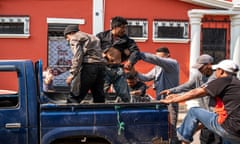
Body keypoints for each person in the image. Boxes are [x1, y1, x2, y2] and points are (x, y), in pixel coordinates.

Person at [160, 59, 240, 144]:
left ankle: (183, 139)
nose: (215, 72)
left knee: (193, 111)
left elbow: (196, 93)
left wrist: (173, 100)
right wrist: (179, 96)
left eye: (216, 70)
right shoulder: (236, 84)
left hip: (227, 126)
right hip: (237, 132)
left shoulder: (223, 80)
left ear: (221, 71)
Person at [136, 47, 180, 144]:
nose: (159, 60)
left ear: (168, 56)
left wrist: (138, 54)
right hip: (159, 101)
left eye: (161, 58)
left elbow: (157, 60)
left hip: (170, 102)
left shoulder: (173, 63)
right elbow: (146, 77)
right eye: (157, 57)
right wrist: (134, 72)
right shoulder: (157, 68)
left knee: (171, 129)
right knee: (160, 128)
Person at [96, 16, 140, 102]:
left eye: (125, 28)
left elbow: (135, 51)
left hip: (118, 70)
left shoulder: (127, 40)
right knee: (99, 94)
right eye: (122, 27)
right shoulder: (101, 36)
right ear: (115, 27)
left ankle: (126, 113)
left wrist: (130, 61)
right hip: (103, 69)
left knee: (125, 95)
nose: (124, 30)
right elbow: (92, 48)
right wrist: (101, 54)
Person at [63, 25, 106, 103]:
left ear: (71, 33)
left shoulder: (75, 37)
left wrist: (72, 74)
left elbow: (78, 57)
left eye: (67, 37)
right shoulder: (93, 37)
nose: (67, 40)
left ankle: (70, 114)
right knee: (98, 97)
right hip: (101, 67)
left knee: (75, 96)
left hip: (89, 67)